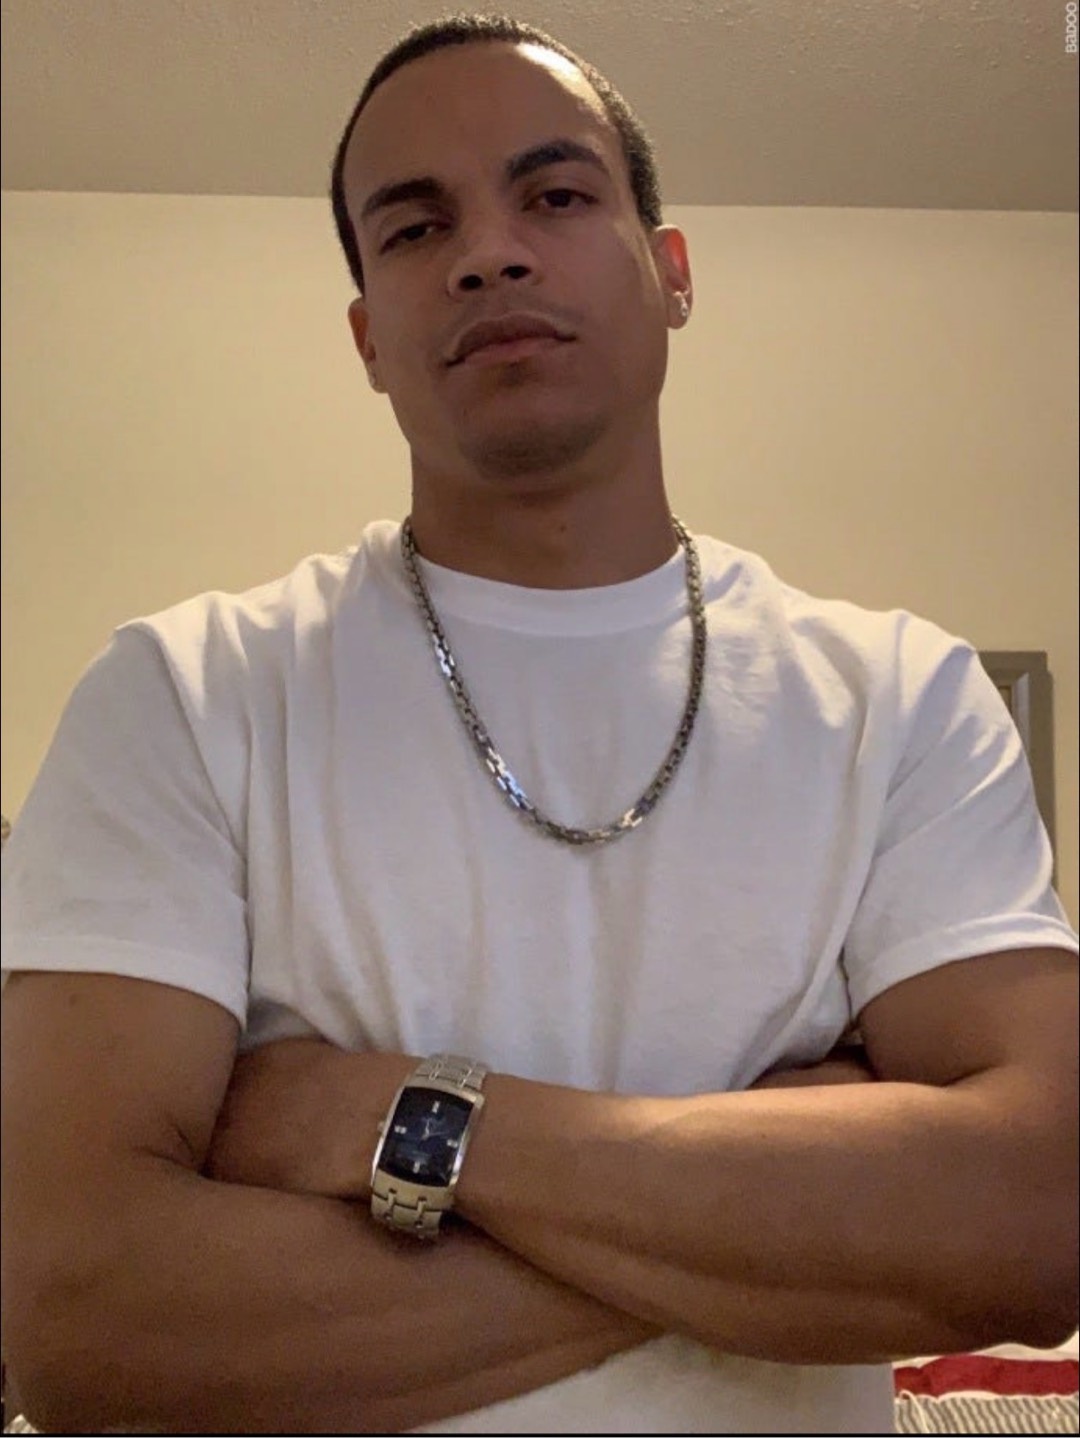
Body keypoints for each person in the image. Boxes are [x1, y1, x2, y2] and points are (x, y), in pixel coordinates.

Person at [2, 11, 1077, 1435]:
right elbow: (79, 1311)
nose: (489, 253)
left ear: (672, 272)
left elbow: (1039, 1214)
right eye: (414, 227)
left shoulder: (904, 699)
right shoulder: (185, 695)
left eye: (556, 196)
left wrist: (387, 1120)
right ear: (367, 338)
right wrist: (793, 1213)